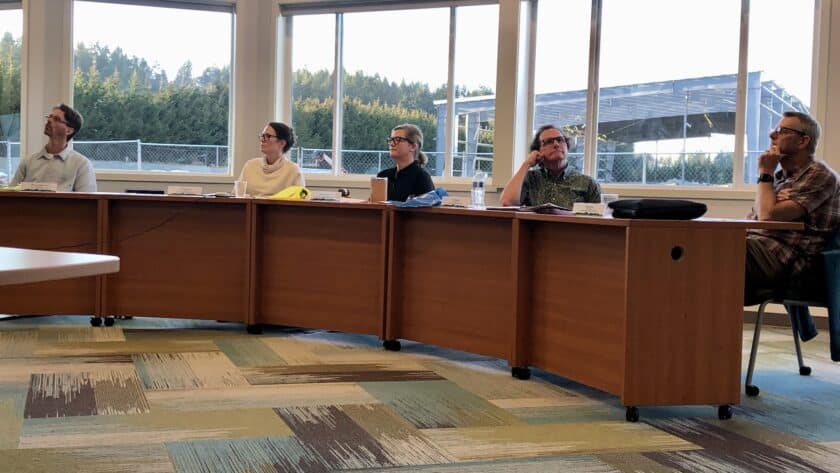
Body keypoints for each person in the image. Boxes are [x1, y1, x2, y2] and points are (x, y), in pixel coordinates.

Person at [745, 111, 840, 309]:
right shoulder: (781, 177)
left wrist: (765, 173)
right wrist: (771, 198)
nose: (772, 135)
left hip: (784, 258)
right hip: (757, 247)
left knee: (716, 252)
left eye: (781, 130)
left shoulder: (820, 175)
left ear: (803, 141)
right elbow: (760, 214)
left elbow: (766, 215)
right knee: (702, 246)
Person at [499, 125, 600, 207]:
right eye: (548, 142)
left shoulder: (588, 184)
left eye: (560, 140)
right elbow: (507, 202)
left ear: (567, 147)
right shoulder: (531, 179)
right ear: (538, 150)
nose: (556, 144)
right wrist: (527, 164)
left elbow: (597, 223)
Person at [11, 104, 96, 192]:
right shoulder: (28, 162)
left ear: (69, 130)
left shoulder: (81, 165)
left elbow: (88, 202)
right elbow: (11, 195)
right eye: (49, 117)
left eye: (56, 119)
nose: (49, 120)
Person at [237, 122, 305, 197]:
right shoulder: (250, 166)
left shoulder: (293, 171)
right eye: (262, 136)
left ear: (282, 143)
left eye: (268, 136)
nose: (262, 140)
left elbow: (300, 202)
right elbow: (237, 197)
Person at [377, 124, 434, 202]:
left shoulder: (421, 177)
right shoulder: (382, 176)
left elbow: (427, 212)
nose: (392, 144)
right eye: (391, 140)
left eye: (398, 140)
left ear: (413, 146)